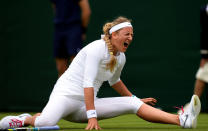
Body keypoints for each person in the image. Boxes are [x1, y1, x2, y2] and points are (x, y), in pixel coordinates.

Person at [0, 17, 201, 130]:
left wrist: (136, 99)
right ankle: (27, 118)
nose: (130, 37)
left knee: (132, 104)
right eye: (127, 34)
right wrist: (92, 117)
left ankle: (181, 120)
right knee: (46, 123)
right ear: (114, 35)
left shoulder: (121, 57)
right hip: (65, 97)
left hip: (84, 105)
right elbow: (88, 83)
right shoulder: (97, 48)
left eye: (132, 34)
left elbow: (115, 81)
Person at [51, 0, 91, 77]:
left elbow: (87, 11)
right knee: (60, 68)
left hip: (73, 29)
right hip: (59, 29)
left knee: (76, 66)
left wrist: (82, 30)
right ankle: (62, 88)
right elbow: (55, 8)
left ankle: (78, 89)